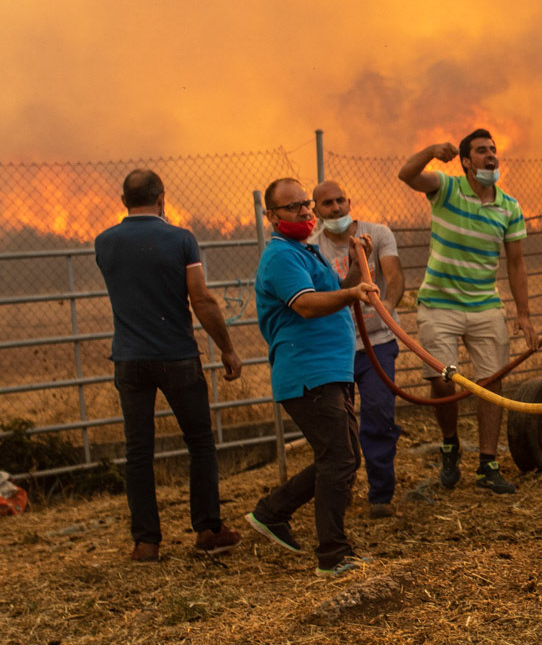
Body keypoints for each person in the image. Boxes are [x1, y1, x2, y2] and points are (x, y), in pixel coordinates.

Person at [94, 169, 244, 563]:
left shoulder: (104, 242)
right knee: (199, 443)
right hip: (177, 356)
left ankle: (146, 543)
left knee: (138, 450)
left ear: (124, 200)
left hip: (129, 358)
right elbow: (201, 299)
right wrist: (227, 349)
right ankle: (209, 530)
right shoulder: (181, 239)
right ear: (162, 197)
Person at [247, 177, 377, 576]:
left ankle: (272, 512)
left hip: (330, 370)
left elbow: (339, 291)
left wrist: (356, 268)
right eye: (293, 207)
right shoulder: (282, 257)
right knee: (339, 458)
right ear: (271, 216)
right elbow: (305, 304)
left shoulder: (306, 252)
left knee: (340, 457)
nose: (305, 211)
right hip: (308, 372)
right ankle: (333, 555)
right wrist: (351, 294)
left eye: (305, 204)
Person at [397, 129, 534, 495]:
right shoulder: (446, 188)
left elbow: (517, 264)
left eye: (493, 150)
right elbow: (406, 175)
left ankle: (487, 463)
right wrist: (429, 149)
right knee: (442, 380)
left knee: (491, 384)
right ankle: (449, 442)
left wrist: (524, 314)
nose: (491, 156)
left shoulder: (509, 207)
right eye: (481, 151)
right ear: (466, 160)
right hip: (439, 304)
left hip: (485, 305)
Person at [313, 180, 405, 519]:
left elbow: (393, 275)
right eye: (327, 204)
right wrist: (355, 263)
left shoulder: (377, 233)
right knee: (337, 423)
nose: (336, 208)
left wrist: (388, 309)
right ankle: (341, 489)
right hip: (334, 346)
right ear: (317, 210)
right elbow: (332, 294)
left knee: (379, 413)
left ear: (349, 201)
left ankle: (381, 495)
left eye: (340, 201)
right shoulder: (312, 246)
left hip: (377, 341)